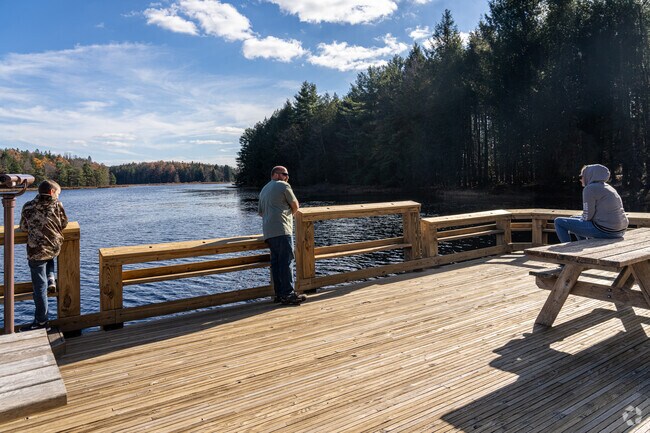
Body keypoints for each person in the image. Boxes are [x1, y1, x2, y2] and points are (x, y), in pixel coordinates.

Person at [19, 180, 68, 331]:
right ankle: (51, 278)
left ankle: (41, 323)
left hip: (36, 251)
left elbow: (23, 227)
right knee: (50, 257)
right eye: (58, 193)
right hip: (54, 247)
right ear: (52, 192)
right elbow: (64, 223)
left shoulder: (28, 206)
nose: (58, 196)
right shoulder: (57, 205)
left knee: (39, 289)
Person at [258, 166, 306, 305]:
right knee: (287, 262)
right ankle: (288, 294)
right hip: (282, 229)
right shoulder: (284, 186)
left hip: (268, 232)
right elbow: (295, 205)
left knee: (276, 263)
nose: (287, 177)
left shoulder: (264, 189)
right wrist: (287, 215)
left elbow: (261, 212)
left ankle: (279, 294)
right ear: (277, 174)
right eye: (285, 174)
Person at [554, 164, 628, 243]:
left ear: (589, 175)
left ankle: (566, 249)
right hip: (620, 231)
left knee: (559, 221)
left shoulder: (589, 189)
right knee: (574, 219)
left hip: (606, 231)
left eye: (582, 176)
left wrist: (579, 221)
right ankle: (582, 244)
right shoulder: (608, 187)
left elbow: (588, 216)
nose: (580, 179)